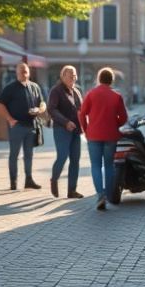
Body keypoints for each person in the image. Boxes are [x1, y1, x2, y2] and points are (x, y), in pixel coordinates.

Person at [78, 67, 128, 210]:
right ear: (111, 80)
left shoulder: (91, 94)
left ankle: (100, 194)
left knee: (95, 165)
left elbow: (82, 114)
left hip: (93, 135)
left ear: (99, 79)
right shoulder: (116, 96)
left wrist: (86, 129)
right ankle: (109, 194)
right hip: (111, 136)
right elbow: (124, 118)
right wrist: (114, 124)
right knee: (109, 166)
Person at [0, 62, 46, 191]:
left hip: (31, 126)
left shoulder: (34, 87)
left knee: (29, 154)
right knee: (14, 154)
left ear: (29, 72)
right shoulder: (10, 88)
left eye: (25, 71)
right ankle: (13, 181)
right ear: (16, 73)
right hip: (17, 126)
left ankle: (29, 179)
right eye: (20, 71)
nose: (23, 73)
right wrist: (10, 119)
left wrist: (39, 110)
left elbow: (42, 103)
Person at [46, 65, 84, 199]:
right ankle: (54, 179)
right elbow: (51, 109)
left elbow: (81, 109)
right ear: (63, 76)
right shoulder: (56, 90)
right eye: (70, 75)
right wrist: (66, 122)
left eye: (74, 75)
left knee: (75, 160)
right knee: (62, 157)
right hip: (62, 129)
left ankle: (72, 190)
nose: (73, 78)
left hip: (75, 130)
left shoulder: (77, 90)